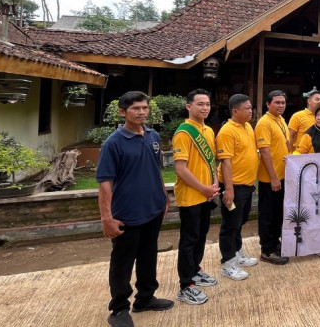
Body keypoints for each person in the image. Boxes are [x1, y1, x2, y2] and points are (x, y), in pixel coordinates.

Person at [96, 91, 173, 327]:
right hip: (126, 214)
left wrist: (164, 197)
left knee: (149, 257)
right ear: (122, 112)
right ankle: (119, 309)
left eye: (145, 108)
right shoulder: (113, 143)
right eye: (135, 108)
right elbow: (105, 183)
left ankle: (145, 298)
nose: (141, 112)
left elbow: (155, 171)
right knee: (122, 262)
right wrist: (106, 218)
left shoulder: (153, 136)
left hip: (152, 209)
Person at [173, 89, 219, 306]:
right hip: (191, 196)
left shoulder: (208, 131)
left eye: (208, 104)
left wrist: (215, 182)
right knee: (189, 240)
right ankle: (185, 285)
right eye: (200, 104)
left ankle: (195, 270)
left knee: (201, 235)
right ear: (189, 107)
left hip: (206, 195)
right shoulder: (184, 132)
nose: (205, 108)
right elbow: (181, 169)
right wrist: (203, 188)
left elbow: (212, 162)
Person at [216, 94, 259, 281]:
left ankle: (237, 252)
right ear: (235, 111)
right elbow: (225, 162)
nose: (251, 111)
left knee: (240, 221)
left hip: (247, 184)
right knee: (230, 225)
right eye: (247, 108)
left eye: (251, 108)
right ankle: (228, 263)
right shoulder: (227, 131)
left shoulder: (248, 127)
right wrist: (229, 189)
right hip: (233, 185)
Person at [255, 90, 291, 265]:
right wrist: (274, 177)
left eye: (283, 102)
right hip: (270, 178)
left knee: (279, 213)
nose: (281, 105)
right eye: (277, 102)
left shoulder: (282, 120)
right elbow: (264, 151)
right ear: (268, 104)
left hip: (283, 175)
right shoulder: (264, 123)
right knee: (268, 214)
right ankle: (267, 250)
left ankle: (275, 244)